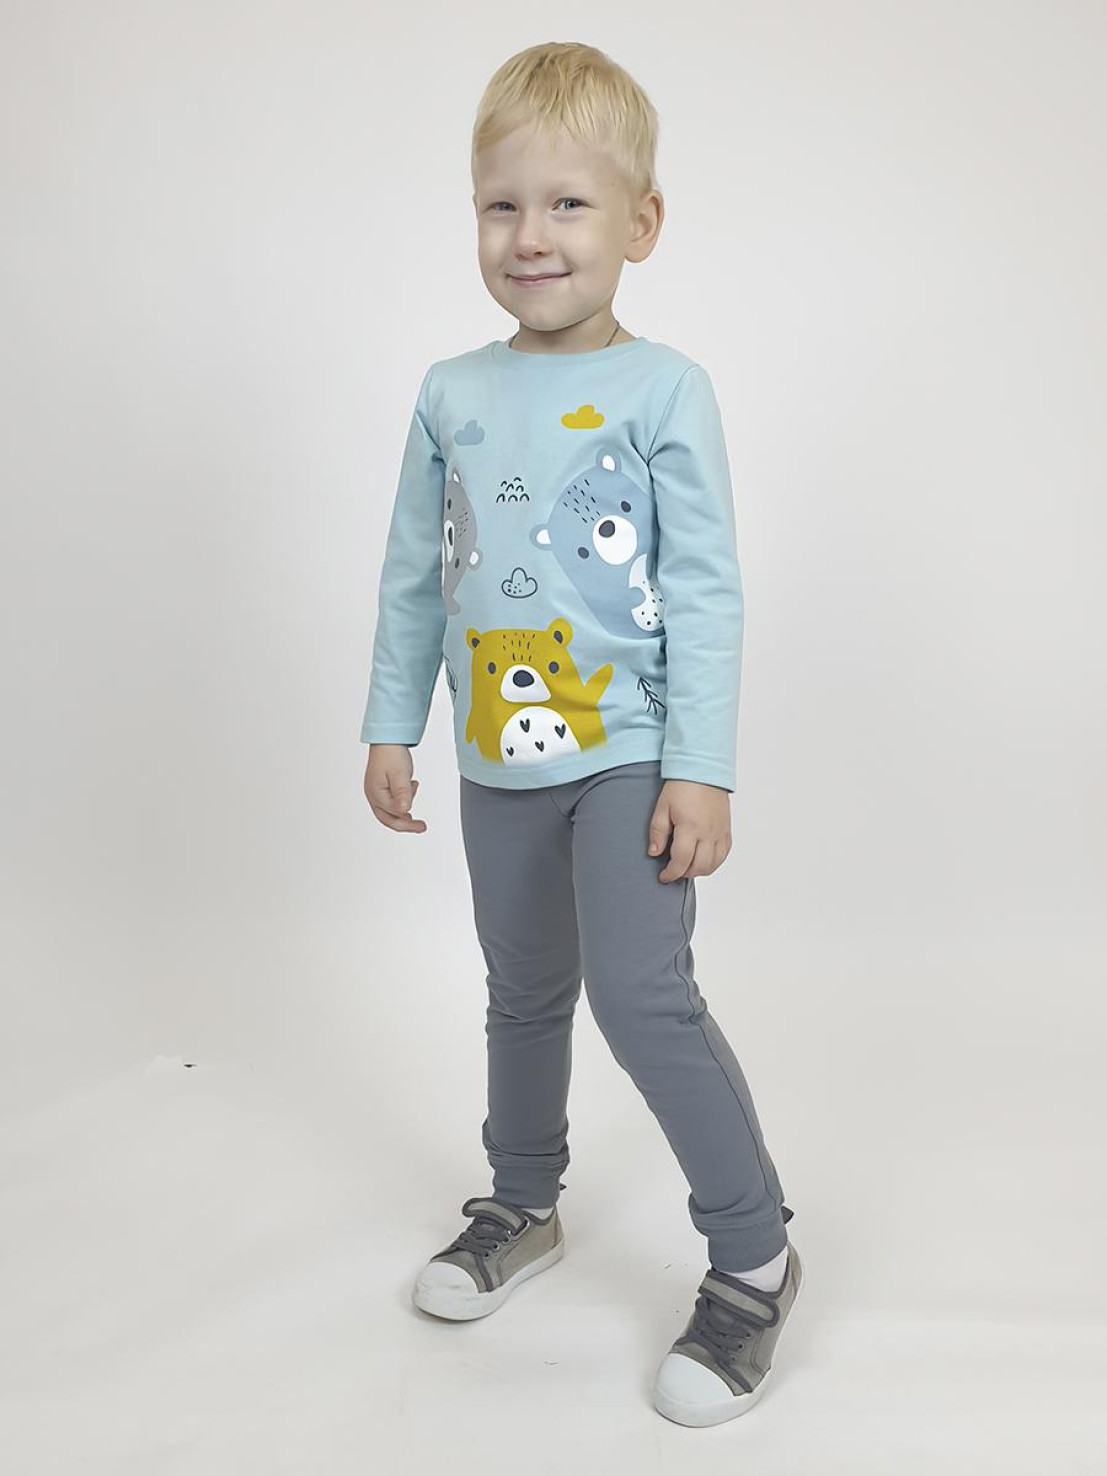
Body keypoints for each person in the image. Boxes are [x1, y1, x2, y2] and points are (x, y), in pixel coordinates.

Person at [359, 41, 802, 1427]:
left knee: (641, 996)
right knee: (522, 989)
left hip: (628, 754)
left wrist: (701, 767)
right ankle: (522, 1201)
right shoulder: (450, 390)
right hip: (493, 755)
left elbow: (708, 588)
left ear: (640, 224)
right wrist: (390, 721)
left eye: (568, 205)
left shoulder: (667, 389)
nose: (532, 237)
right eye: (503, 206)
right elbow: (416, 574)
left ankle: (754, 1254)